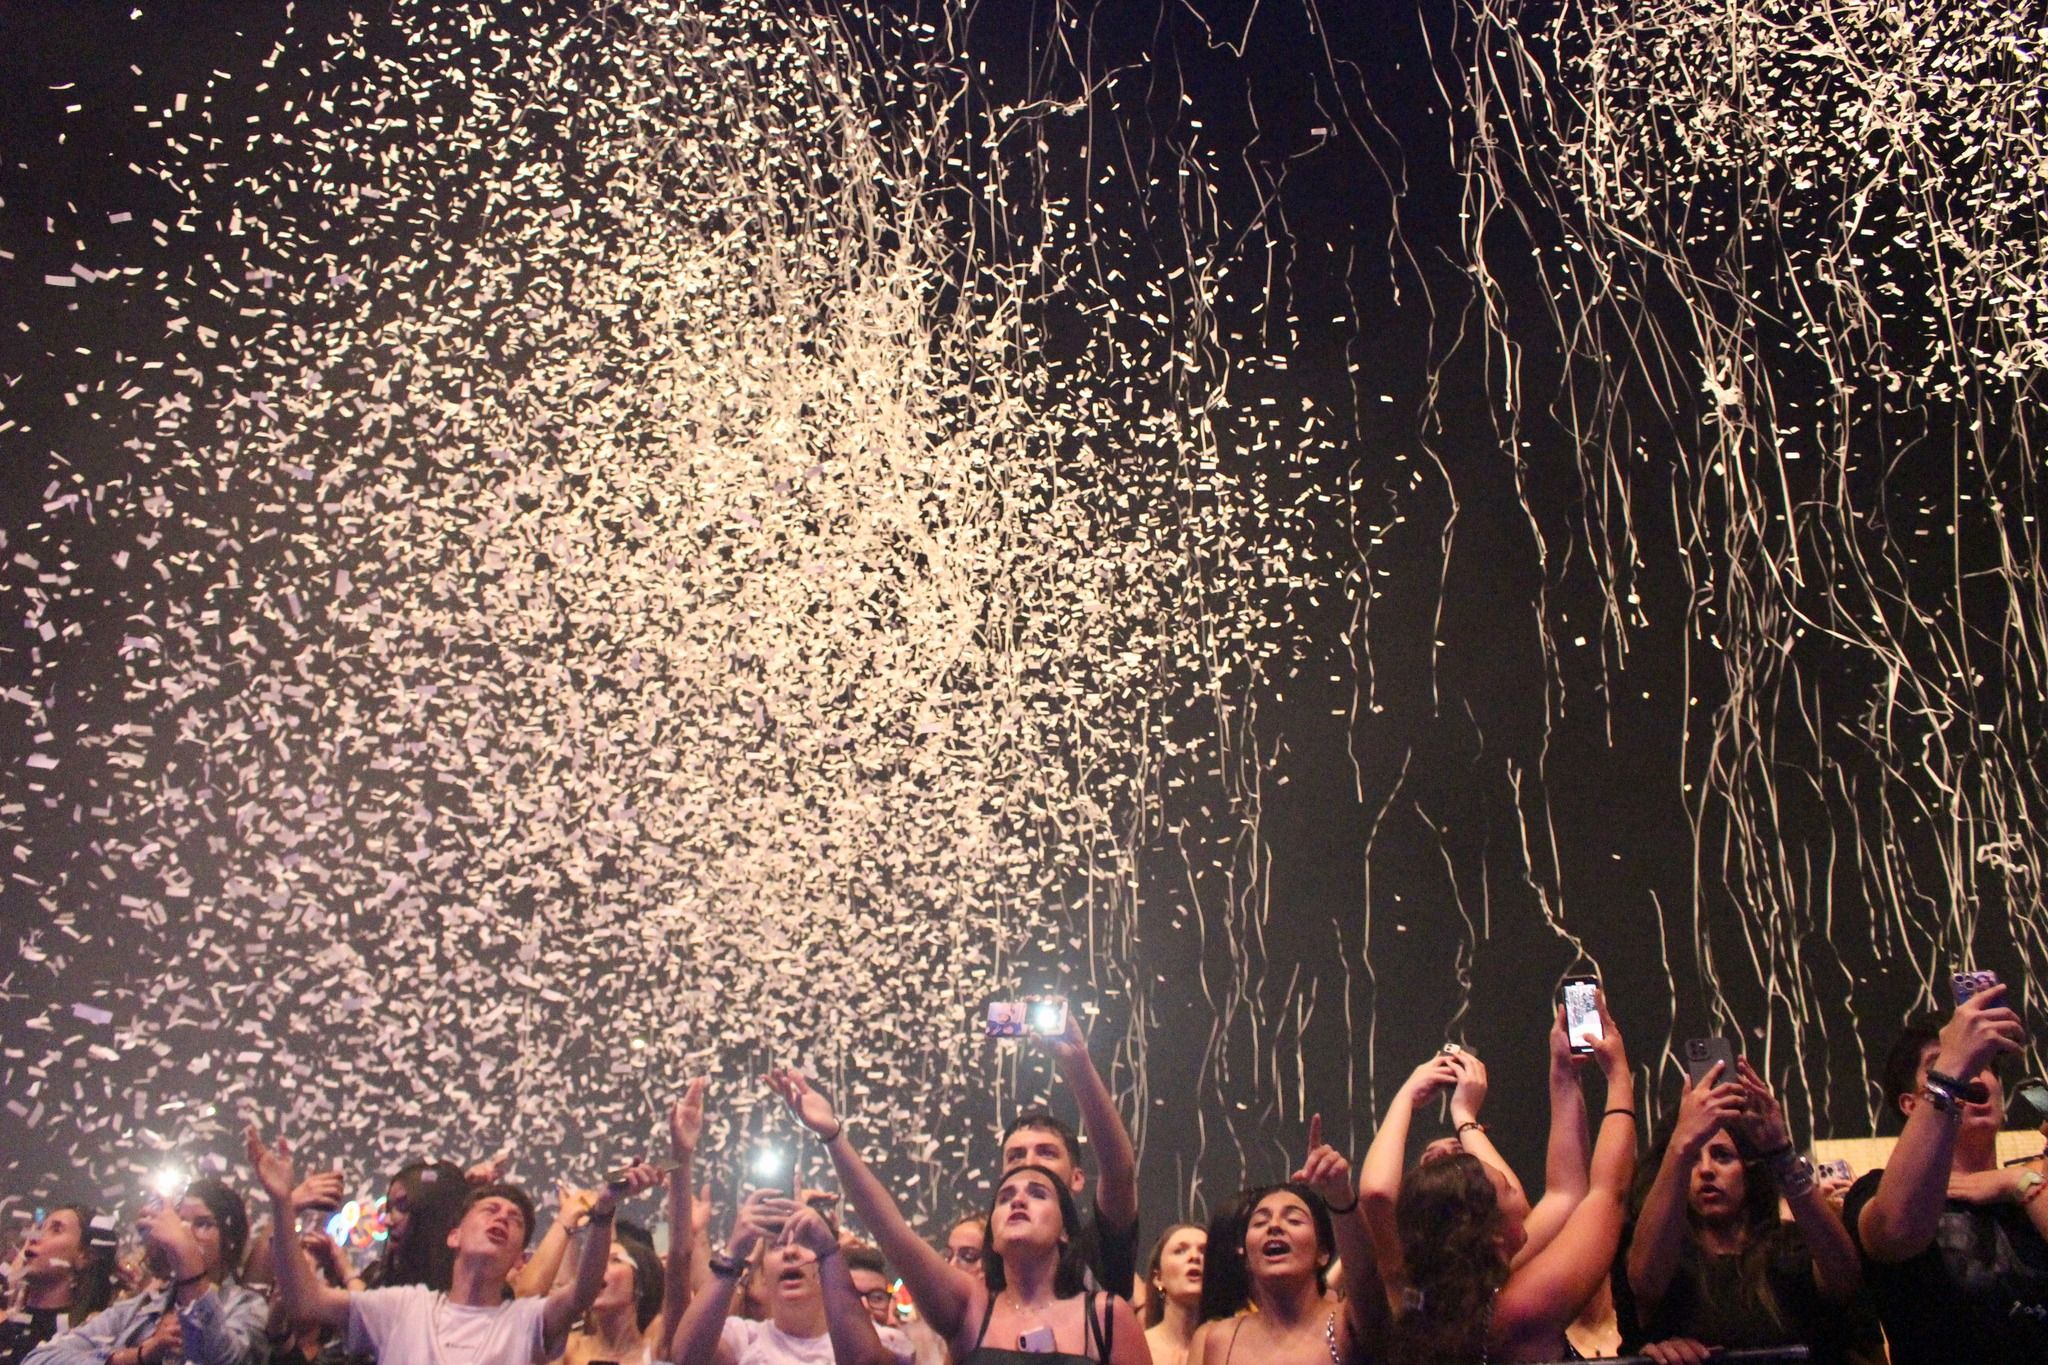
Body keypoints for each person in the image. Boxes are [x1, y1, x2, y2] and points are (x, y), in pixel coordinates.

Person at [768, 1066, 1145, 1364]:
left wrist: (1075, 1060)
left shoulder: (1106, 1313)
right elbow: (893, 1233)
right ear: (991, 1235)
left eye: (1038, 1192)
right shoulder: (970, 1308)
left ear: (1066, 1230)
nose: (1018, 1199)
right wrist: (833, 1137)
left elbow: (1119, 1171)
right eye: (1006, 1194)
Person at [1361, 991, 1634, 1362]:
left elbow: (1564, 1192)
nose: (1515, 1188)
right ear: (1491, 1230)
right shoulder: (1524, 1308)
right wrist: (1618, 1076)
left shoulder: (1413, 1300)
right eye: (1504, 1185)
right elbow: (1607, 1193)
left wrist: (1563, 1074)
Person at [250, 1125, 659, 1365]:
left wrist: (603, 1210)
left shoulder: (527, 1321)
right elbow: (305, 1299)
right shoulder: (401, 1308)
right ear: (454, 1235)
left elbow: (583, 1291)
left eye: (514, 1219)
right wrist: (283, 1204)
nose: (501, 1217)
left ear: (520, 1256)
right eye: (489, 1210)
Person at [1616, 1059, 1874, 1364]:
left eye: (1722, 1156)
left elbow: (1844, 1278)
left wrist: (1780, 1151)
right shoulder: (1666, 1257)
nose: (1707, 1170)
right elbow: (1645, 1280)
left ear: (1749, 1170)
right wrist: (1680, 1146)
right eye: (1694, 1160)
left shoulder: (1789, 1248)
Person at [1844, 984, 2047, 1362]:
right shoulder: (1875, 1188)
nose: (1975, 1074)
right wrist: (1950, 1072)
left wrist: (2017, 1182)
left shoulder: (2032, 1187)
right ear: (1910, 1104)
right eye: (1946, 1063)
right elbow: (1893, 1233)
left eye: (1984, 1064)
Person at [1190, 1116, 1387, 1365]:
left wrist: (1339, 1193)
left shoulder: (1346, 1324)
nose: (1274, 1226)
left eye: (1294, 1220)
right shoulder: (1220, 1339)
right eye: (1260, 1222)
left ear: (1323, 1253)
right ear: (1247, 1255)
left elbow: (1366, 1277)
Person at [26, 1178, 267, 1365]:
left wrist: (188, 1264)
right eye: (180, 1222)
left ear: (230, 1240)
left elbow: (221, 1360)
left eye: (203, 1224)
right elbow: (38, 1359)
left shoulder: (247, 1307)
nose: (184, 1233)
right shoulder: (140, 1309)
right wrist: (137, 1356)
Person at [668, 1188, 908, 1365]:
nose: (790, 1251)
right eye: (776, 1245)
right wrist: (734, 1253)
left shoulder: (882, 1338)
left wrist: (831, 1251)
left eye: (806, 1241)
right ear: (763, 1270)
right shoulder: (743, 1337)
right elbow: (686, 1358)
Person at [998, 1011, 1141, 1299]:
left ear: (1077, 1178)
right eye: (1015, 1156)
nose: (1030, 1163)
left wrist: (1078, 1065)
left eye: (1047, 1153)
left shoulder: (1094, 1253)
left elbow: (1119, 1173)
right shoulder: (983, 1262)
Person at [1, 1206, 119, 1363]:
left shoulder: (82, 1340)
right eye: (40, 1228)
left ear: (84, 1255)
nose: (34, 1238)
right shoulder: (8, 1324)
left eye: (56, 1230)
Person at [551, 1235, 664, 1365]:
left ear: (640, 1283)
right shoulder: (567, 1351)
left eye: (615, 1260)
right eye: (595, 1261)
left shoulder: (656, 1353)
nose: (598, 1268)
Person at [1139, 1223, 1203, 1365]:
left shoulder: (1233, 1347)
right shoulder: (1137, 1349)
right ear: (1158, 1278)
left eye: (1204, 1251)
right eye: (1180, 1251)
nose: (1194, 1257)